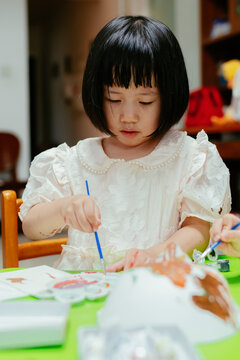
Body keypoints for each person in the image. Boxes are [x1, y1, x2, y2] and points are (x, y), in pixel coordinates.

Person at [19, 16, 231, 271]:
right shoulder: (76, 160)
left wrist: (156, 255)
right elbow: (30, 226)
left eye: (145, 102)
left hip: (157, 282)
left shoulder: (190, 157)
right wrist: (65, 208)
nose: (128, 116)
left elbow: (199, 231)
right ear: (97, 94)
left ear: (169, 96)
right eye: (114, 99)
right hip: (87, 288)